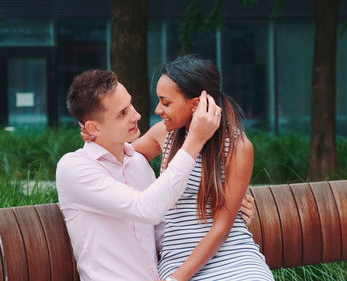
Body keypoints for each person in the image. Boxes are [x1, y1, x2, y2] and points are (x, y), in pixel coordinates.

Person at [56, 69, 222, 281]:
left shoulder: (138, 164)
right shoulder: (74, 167)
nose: (137, 115)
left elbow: (165, 233)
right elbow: (146, 209)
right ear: (92, 127)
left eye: (130, 105)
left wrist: (226, 209)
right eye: (122, 113)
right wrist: (195, 140)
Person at [132, 55, 275, 281]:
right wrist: (94, 134)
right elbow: (120, 159)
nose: (158, 109)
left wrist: (176, 280)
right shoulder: (165, 134)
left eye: (166, 102)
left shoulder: (238, 146)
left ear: (197, 104)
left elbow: (221, 230)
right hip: (178, 259)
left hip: (235, 259)